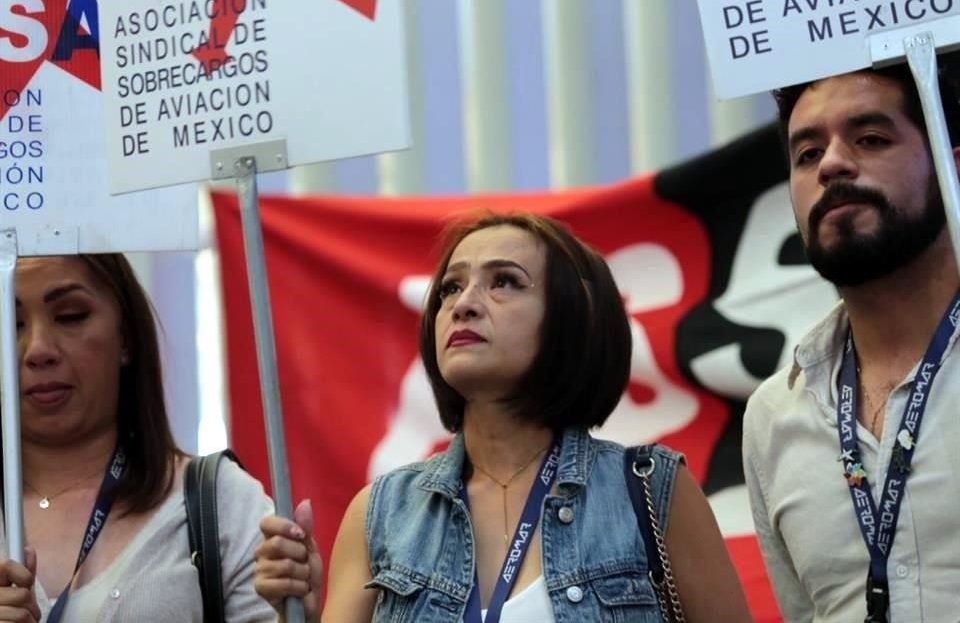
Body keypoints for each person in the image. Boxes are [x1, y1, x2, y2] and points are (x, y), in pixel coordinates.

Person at [255, 212, 751, 622]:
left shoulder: (651, 488)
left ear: (570, 317)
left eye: (505, 282)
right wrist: (294, 612)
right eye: (449, 288)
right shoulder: (380, 513)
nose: (464, 304)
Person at [743, 54, 960, 622]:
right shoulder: (771, 415)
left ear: (952, 168)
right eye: (807, 154)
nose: (832, 165)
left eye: (869, 139)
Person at [0, 254, 276, 622]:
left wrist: (294, 612)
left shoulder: (222, 502)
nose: (39, 350)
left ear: (126, 336)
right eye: (12, 323)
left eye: (70, 317)